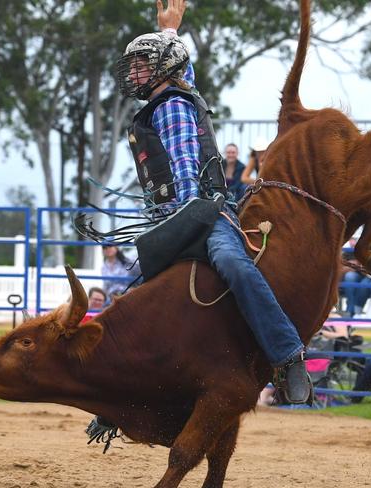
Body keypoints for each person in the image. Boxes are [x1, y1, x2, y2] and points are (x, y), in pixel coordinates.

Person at [117, 0, 310, 403]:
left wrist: (184, 219)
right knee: (144, 303)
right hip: (179, 218)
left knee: (232, 265)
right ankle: (123, 391)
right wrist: (169, 30)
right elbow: (179, 68)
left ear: (160, 69)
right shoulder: (174, 93)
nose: (133, 71)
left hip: (202, 214)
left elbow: (185, 161)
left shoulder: (170, 106)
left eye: (140, 64)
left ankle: (287, 354)